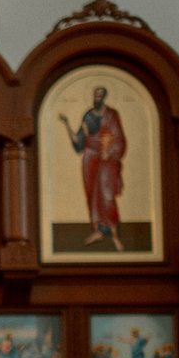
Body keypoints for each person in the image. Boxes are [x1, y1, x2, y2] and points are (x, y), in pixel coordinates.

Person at [67, 84, 127, 249]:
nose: (97, 98)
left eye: (100, 95)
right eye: (95, 95)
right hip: (90, 158)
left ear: (104, 97)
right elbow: (81, 137)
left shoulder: (112, 115)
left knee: (106, 196)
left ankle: (114, 234)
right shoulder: (88, 115)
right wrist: (71, 134)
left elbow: (119, 138)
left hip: (106, 160)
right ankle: (98, 231)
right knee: (91, 194)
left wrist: (110, 152)